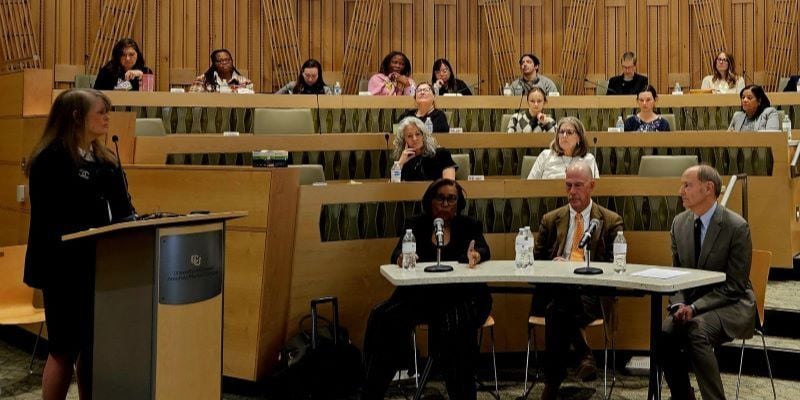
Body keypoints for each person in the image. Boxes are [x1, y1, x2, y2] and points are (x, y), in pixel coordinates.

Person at [24, 88, 135, 400]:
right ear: (76, 116)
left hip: (98, 265)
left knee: (92, 346)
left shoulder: (105, 160)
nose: (107, 118)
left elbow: (124, 210)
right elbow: (54, 218)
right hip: (62, 268)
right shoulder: (50, 160)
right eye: (101, 112)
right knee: (64, 348)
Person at [362, 178, 492, 400]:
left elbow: (483, 249)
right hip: (422, 297)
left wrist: (476, 255)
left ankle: (461, 392)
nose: (445, 203)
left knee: (455, 326)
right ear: (429, 201)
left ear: (458, 203)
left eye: (451, 199)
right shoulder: (416, 224)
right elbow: (396, 254)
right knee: (384, 317)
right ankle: (373, 390)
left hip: (460, 298)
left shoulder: (469, 225)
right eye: (439, 198)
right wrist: (402, 257)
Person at [658, 165, 755, 400]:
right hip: (691, 304)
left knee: (696, 330)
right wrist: (678, 305)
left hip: (732, 303)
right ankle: (683, 396)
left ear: (708, 188)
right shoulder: (679, 224)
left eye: (687, 185)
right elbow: (678, 275)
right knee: (663, 333)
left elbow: (734, 285)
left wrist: (694, 308)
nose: (680, 190)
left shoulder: (736, 226)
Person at [534, 161, 624, 400]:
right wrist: (554, 267)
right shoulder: (551, 219)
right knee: (559, 301)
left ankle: (553, 381)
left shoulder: (610, 220)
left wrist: (576, 268)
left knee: (557, 310)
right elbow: (536, 261)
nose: (572, 192)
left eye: (578, 185)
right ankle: (583, 353)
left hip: (592, 294)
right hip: (555, 290)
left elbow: (617, 265)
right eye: (568, 186)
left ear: (591, 186)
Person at [527, 116, 599, 180]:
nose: (564, 135)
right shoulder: (545, 155)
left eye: (569, 132)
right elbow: (530, 184)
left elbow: (595, 189)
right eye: (561, 132)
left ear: (579, 137)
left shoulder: (588, 159)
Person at [393, 116, 457, 181]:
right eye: (409, 136)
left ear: (423, 136)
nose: (414, 139)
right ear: (404, 140)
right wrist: (400, 163)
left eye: (418, 134)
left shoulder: (441, 154)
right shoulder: (404, 159)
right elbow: (392, 188)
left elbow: (450, 184)